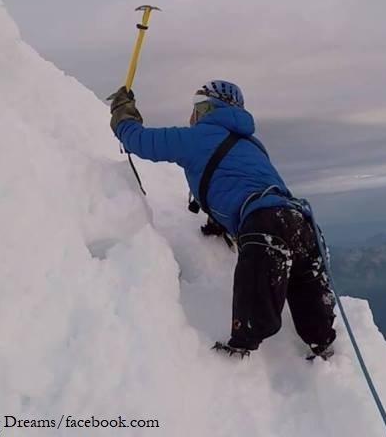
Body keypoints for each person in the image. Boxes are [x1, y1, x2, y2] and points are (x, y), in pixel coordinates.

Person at [108, 80, 336, 359]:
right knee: (306, 288)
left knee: (255, 288)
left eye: (197, 106)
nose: (192, 114)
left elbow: (139, 141)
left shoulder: (197, 138)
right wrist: (220, 222)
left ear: (208, 108)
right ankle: (322, 344)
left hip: (264, 223)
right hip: (301, 221)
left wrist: (123, 111)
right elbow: (237, 183)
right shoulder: (253, 144)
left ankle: (239, 349)